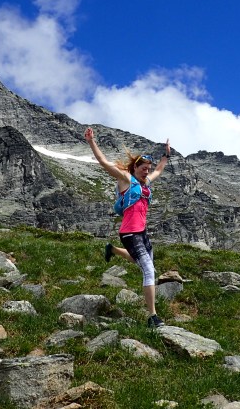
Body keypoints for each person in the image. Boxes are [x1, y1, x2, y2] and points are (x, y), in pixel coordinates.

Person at [84, 126, 170, 328]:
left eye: (148, 168)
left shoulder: (146, 182)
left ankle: (112, 250)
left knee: (138, 260)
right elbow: (104, 162)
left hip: (142, 232)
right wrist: (91, 142)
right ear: (135, 167)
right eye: (144, 168)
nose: (147, 170)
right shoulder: (125, 179)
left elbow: (159, 169)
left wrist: (166, 154)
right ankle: (153, 317)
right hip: (130, 232)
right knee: (149, 270)